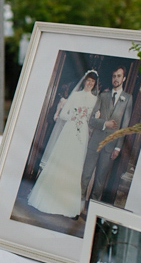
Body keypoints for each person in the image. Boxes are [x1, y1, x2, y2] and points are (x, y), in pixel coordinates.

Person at [26, 70, 99, 218]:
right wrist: (74, 116)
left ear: (95, 84)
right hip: (69, 131)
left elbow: (92, 121)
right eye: (88, 80)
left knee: (74, 165)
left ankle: (66, 204)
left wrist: (94, 117)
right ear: (84, 81)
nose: (90, 83)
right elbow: (63, 114)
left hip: (82, 135)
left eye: (93, 81)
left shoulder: (94, 100)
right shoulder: (76, 96)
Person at [81, 66, 134, 204]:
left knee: (100, 180)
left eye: (119, 76)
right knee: (85, 175)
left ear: (124, 78)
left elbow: (125, 126)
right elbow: (92, 120)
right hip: (95, 143)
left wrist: (118, 148)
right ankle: (78, 206)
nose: (116, 79)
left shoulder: (128, 98)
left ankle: (91, 209)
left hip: (110, 146)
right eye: (114, 76)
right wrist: (105, 124)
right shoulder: (103, 96)